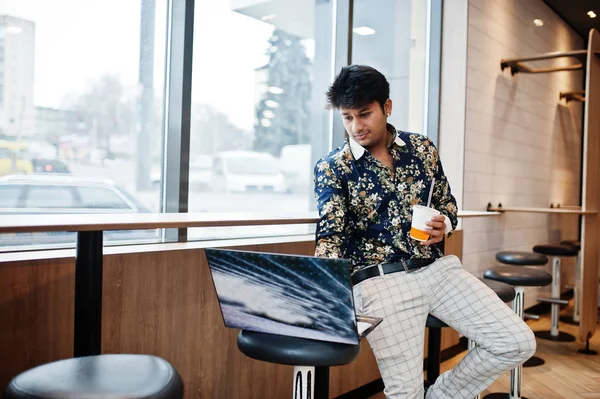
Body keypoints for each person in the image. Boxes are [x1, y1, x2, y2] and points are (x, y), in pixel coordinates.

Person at [313, 64, 535, 399]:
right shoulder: (333, 167)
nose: (356, 127)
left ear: (386, 107)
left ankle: (441, 395)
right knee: (406, 393)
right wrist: (324, 295)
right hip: (380, 282)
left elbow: (447, 205)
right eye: (347, 117)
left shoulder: (422, 149)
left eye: (364, 114)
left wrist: (443, 224)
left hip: (438, 270)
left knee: (517, 342)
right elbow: (330, 236)